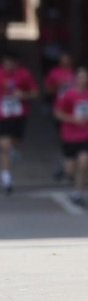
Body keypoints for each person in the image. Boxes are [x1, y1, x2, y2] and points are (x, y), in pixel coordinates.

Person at [52, 66, 88, 208]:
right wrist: (72, 119)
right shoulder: (67, 94)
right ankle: (64, 169)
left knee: (83, 164)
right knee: (70, 170)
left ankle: (77, 194)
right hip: (69, 135)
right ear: (75, 79)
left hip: (86, 133)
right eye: (80, 77)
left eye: (86, 77)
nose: (83, 80)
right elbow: (57, 113)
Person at [0, 48, 39, 195]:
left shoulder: (24, 74)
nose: (8, 66)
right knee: (4, 145)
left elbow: (35, 93)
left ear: (16, 64)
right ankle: (6, 178)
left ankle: (15, 151)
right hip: (3, 115)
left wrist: (23, 94)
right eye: (5, 64)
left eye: (11, 64)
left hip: (19, 115)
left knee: (15, 143)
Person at [42, 54, 75, 185]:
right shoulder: (54, 73)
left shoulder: (77, 74)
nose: (65, 62)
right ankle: (66, 165)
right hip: (60, 110)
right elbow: (47, 90)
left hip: (75, 111)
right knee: (64, 138)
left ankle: (68, 167)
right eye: (63, 60)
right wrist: (58, 86)